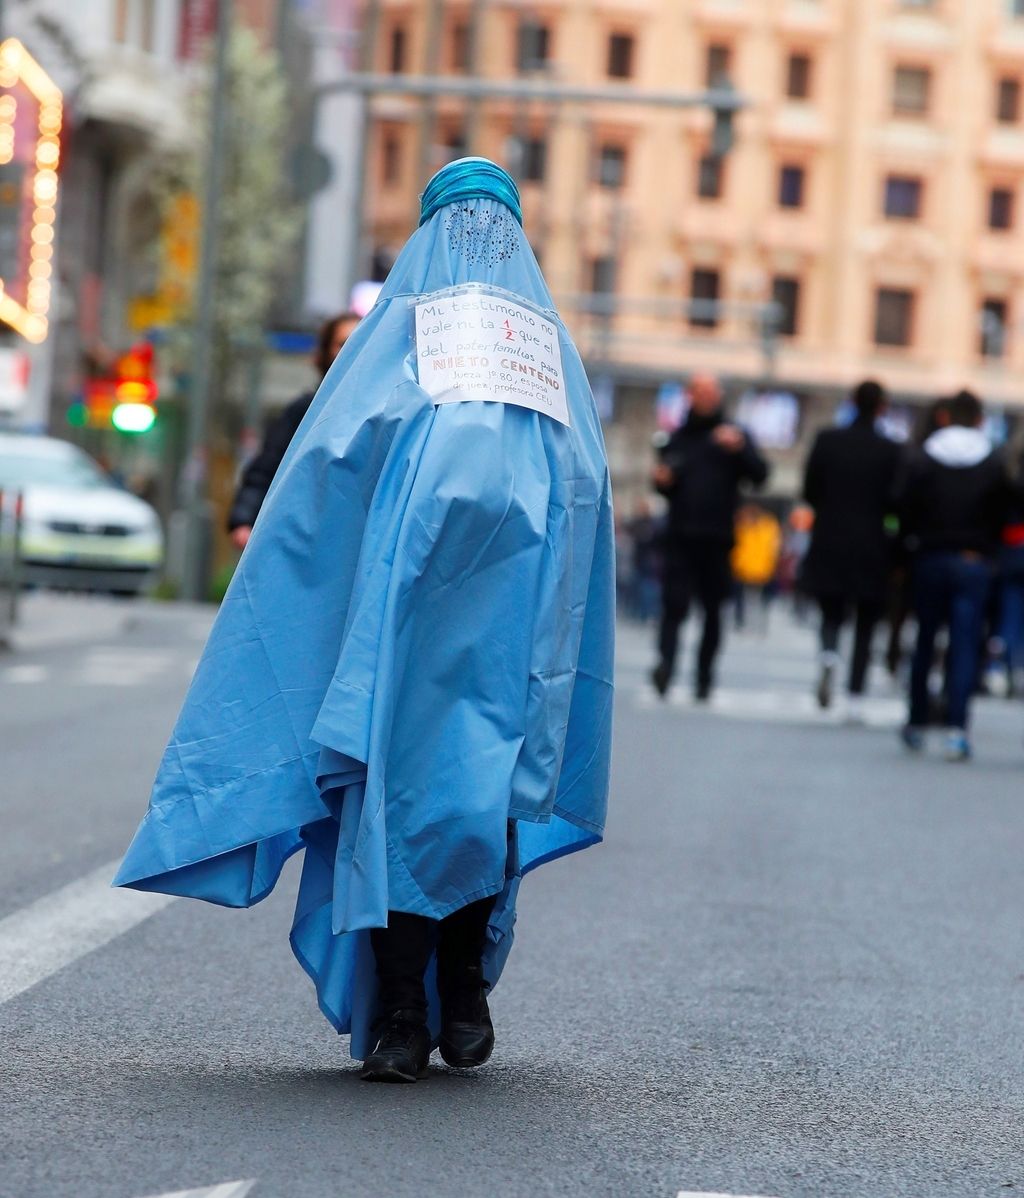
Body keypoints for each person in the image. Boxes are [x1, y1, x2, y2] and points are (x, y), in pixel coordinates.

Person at [114, 159, 615, 1082]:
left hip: (468, 635)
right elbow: (576, 492)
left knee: (443, 803)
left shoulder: (440, 345)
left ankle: (438, 997)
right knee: (438, 803)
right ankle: (421, 1005)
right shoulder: (532, 353)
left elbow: (333, 469)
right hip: (449, 636)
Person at [898, 390, 1016, 760]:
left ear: (945, 416)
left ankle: (916, 720)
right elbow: (1006, 510)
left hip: (930, 557)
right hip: (973, 562)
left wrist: (909, 547)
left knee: (924, 641)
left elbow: (903, 506)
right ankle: (956, 728)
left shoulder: (924, 458)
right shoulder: (992, 461)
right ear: (980, 419)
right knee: (965, 646)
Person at [651, 372, 768, 700]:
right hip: (680, 536)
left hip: (718, 539)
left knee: (714, 611)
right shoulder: (676, 438)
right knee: (673, 606)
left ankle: (704, 677)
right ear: (690, 396)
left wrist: (740, 449)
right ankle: (666, 665)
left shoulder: (734, 435)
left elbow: (760, 475)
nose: (705, 397)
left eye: (711, 392)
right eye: (699, 391)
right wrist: (661, 481)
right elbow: (663, 484)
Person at [801, 380, 903, 716]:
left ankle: (829, 655)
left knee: (831, 612)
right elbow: (897, 501)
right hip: (872, 544)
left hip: (830, 538)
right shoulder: (891, 450)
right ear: (882, 407)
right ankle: (855, 693)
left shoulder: (827, 441)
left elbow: (810, 490)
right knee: (866, 622)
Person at [227, 311, 361, 549]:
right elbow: (265, 471)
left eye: (360, 340)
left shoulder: (390, 411)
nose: (352, 349)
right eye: (342, 343)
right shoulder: (303, 413)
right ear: (325, 353)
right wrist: (244, 520)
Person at [731, 502, 782, 633]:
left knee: (760, 599)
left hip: (761, 569)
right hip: (743, 568)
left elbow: (773, 548)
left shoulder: (768, 526)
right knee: (741, 598)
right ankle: (741, 622)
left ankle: (758, 623)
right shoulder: (742, 526)